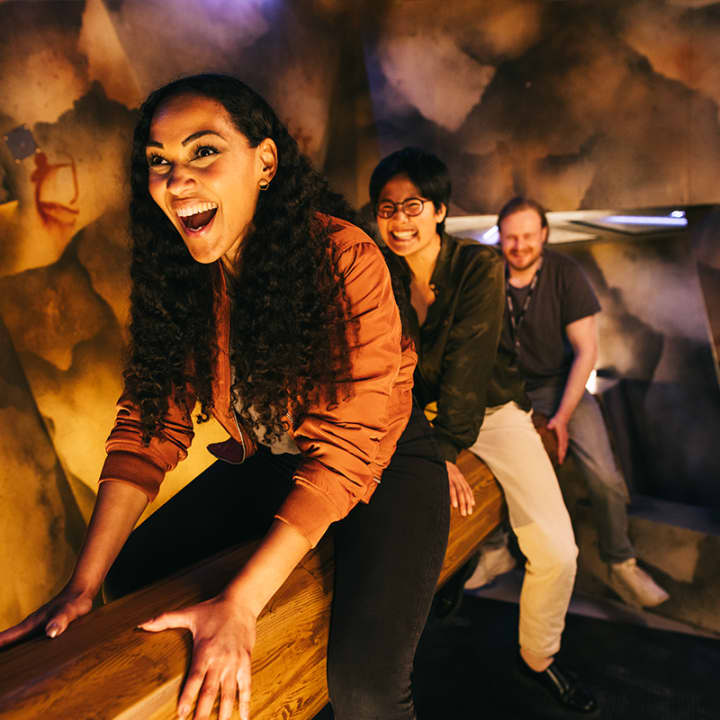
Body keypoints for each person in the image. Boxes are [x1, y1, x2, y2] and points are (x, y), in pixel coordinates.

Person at [0, 75, 450, 720]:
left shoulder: (344, 255)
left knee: (367, 692)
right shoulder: (184, 277)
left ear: (265, 163)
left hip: (385, 461)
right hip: (277, 461)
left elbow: (347, 450)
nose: (176, 179)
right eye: (159, 161)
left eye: (204, 151)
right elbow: (147, 429)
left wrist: (240, 604)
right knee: (131, 575)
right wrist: (81, 585)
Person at [370, 147, 597, 714]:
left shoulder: (478, 266)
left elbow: (469, 371)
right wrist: (420, 440)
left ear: (440, 210)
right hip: (410, 415)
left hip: (491, 410)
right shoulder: (378, 274)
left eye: (413, 206)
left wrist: (442, 450)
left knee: (557, 550)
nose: (399, 221)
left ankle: (537, 656)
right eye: (387, 208)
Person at [497, 196, 669, 609]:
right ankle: (494, 551)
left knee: (605, 476)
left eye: (528, 236)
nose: (519, 246)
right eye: (511, 237)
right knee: (491, 467)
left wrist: (562, 417)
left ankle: (620, 562)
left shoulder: (565, 273)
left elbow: (587, 351)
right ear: (499, 237)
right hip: (507, 389)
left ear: (544, 234)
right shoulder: (487, 275)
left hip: (562, 385)